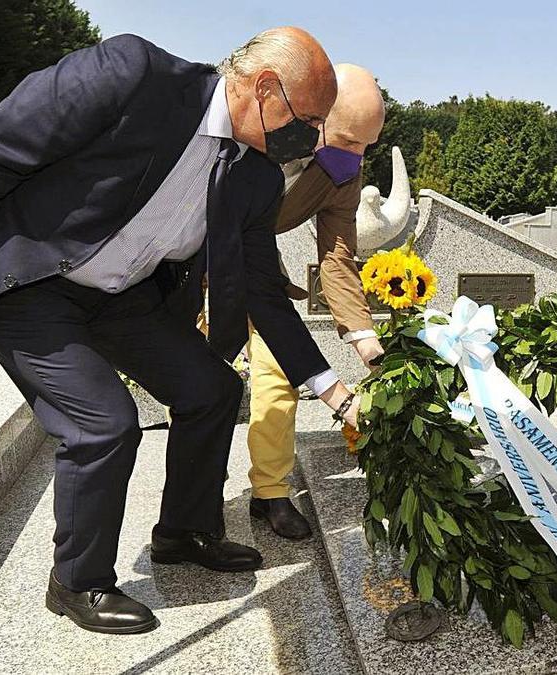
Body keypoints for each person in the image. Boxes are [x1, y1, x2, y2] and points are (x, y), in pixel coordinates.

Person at [0, 28, 361, 635]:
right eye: (309, 120)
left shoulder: (257, 177)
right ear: (265, 88)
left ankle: (186, 532)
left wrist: (334, 391)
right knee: (103, 423)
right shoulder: (131, 75)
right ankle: (78, 581)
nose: (313, 139)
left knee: (213, 391)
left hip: (119, 295)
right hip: (25, 276)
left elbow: (262, 292)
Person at [246, 63, 386, 539]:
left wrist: (365, 339)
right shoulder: (260, 137)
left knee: (276, 378)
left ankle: (269, 494)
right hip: (201, 263)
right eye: (348, 140)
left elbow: (337, 253)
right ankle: (188, 508)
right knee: (200, 392)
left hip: (261, 274)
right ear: (315, 116)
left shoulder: (345, 167)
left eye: (367, 145)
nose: (356, 157)